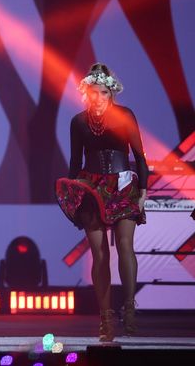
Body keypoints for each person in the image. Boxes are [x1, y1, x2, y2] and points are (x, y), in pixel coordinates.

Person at [55, 63, 147, 342]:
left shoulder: (125, 116)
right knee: (99, 254)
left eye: (103, 92)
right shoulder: (79, 122)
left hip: (123, 185)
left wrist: (142, 193)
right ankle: (105, 318)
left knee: (124, 245)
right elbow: (74, 162)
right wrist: (70, 196)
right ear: (85, 93)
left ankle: (129, 308)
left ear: (111, 93)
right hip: (92, 187)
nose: (98, 97)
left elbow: (140, 157)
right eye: (93, 92)